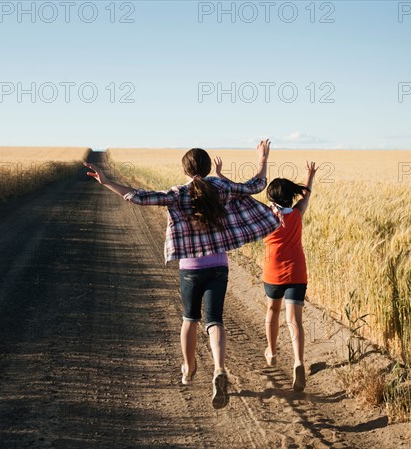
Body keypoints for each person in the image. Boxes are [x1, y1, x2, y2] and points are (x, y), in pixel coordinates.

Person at [83, 140, 279, 409]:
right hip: (219, 265)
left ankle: (188, 368)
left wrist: (106, 181)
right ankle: (219, 368)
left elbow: (139, 197)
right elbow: (256, 185)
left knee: (190, 319)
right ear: (209, 167)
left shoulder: (178, 193)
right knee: (215, 321)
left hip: (190, 269)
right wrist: (262, 158)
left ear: (185, 170)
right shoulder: (221, 187)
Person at [262, 161, 317, 392]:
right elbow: (306, 196)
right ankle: (298, 362)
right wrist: (309, 175)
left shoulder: (266, 217)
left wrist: (220, 175)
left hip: (272, 272)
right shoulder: (296, 213)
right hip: (297, 271)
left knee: (273, 311)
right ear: (289, 198)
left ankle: (272, 353)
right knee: (295, 320)